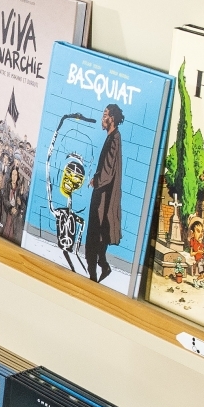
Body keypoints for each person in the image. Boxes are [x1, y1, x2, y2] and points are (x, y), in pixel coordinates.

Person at [85, 104, 124, 284]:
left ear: (112, 119)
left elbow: (108, 172)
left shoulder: (114, 138)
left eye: (105, 116)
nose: (103, 119)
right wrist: (96, 178)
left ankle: (95, 274)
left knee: (95, 234)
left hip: (103, 197)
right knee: (97, 234)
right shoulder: (111, 137)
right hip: (102, 194)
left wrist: (97, 180)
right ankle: (102, 265)